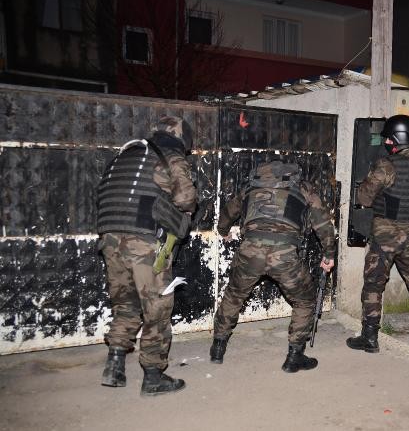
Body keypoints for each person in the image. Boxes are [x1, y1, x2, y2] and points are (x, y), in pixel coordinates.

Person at [97, 116, 198, 395]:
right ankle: (153, 376)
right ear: (182, 137)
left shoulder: (125, 155)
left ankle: (115, 365)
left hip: (110, 237)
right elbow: (186, 199)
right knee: (157, 307)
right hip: (144, 242)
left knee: (125, 301)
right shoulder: (171, 157)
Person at [211, 160, 336, 373]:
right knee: (305, 300)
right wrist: (329, 254)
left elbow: (228, 213)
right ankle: (294, 357)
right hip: (284, 254)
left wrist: (224, 231)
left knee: (234, 295)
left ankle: (217, 348)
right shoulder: (303, 187)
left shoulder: (250, 187)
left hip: (250, 252)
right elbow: (323, 224)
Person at [346, 115, 409, 353]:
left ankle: (369, 337)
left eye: (389, 139)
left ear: (397, 139)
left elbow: (364, 198)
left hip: (386, 237)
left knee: (374, 284)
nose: (387, 143)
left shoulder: (386, 165)